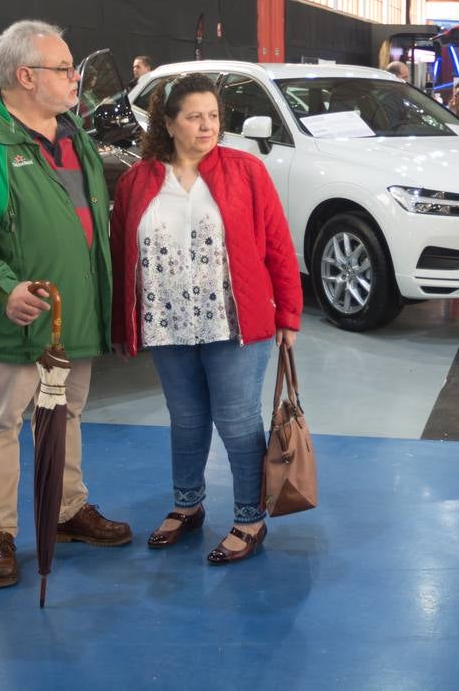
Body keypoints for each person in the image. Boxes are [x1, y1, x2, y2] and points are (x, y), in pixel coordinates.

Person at [0, 19, 132, 590]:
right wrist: (1, 287)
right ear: (25, 75)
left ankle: (67, 510)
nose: (76, 78)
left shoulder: (72, 135)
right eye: (64, 69)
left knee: (65, 414)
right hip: (14, 315)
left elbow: (85, 223)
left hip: (74, 315)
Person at [109, 72, 302, 565]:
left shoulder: (246, 171)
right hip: (167, 322)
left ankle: (248, 517)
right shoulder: (136, 181)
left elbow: (278, 244)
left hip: (235, 322)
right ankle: (187, 506)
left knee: (237, 423)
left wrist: (289, 315)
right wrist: (118, 321)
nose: (206, 126)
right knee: (187, 420)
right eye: (194, 117)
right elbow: (118, 253)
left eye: (213, 116)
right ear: (169, 123)